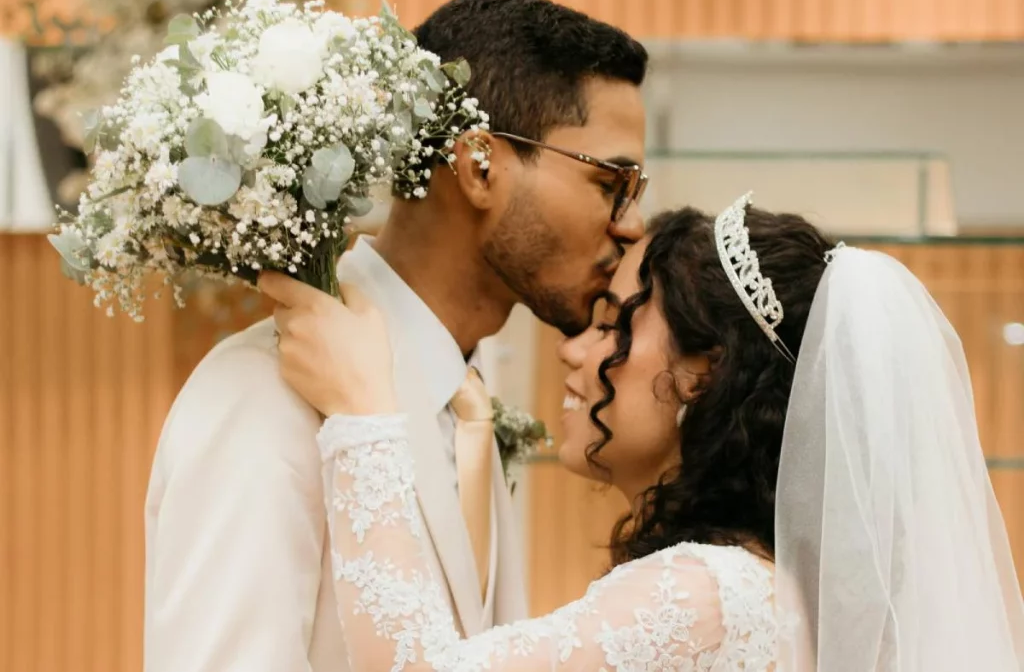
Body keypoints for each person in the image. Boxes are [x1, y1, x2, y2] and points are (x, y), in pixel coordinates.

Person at [261, 194, 1024, 670]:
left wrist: (363, 412)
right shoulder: (767, 591)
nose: (573, 349)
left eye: (612, 323)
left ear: (703, 372)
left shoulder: (712, 594)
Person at [142, 0, 648, 672]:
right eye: (612, 183)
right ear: (478, 166)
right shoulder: (261, 394)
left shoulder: (470, 406)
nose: (631, 225)